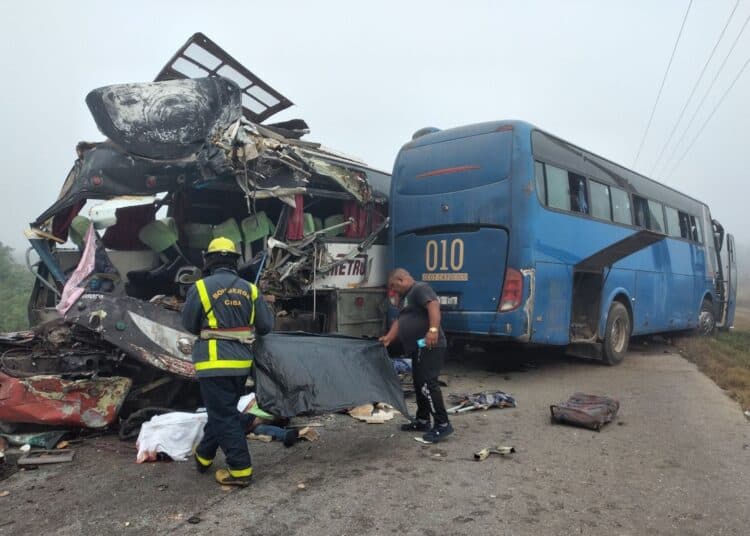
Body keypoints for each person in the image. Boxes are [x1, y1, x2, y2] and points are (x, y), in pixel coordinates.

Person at [181, 236, 274, 487]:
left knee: (223, 415)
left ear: (208, 260)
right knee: (223, 411)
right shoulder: (250, 289)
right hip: (241, 364)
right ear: (235, 261)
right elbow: (266, 326)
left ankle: (240, 470)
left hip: (212, 363)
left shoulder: (200, 288)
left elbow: (188, 324)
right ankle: (204, 456)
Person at [379, 268, 453, 443]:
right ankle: (422, 420)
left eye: (394, 286)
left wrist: (433, 330)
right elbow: (400, 320)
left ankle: (442, 424)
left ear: (402, 279)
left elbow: (433, 305)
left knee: (428, 384)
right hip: (419, 347)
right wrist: (389, 338)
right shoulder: (406, 298)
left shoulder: (420, 288)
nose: (393, 290)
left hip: (431, 345)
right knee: (419, 383)